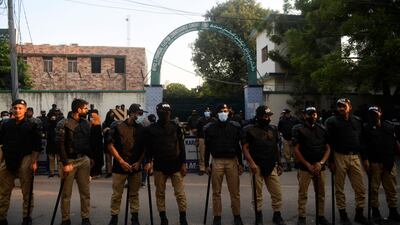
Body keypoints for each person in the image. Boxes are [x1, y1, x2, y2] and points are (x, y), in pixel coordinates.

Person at [325, 98, 368, 225]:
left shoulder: (357, 121)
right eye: (339, 106)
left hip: (355, 157)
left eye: (343, 106)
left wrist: (365, 158)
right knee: (339, 188)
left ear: (349, 106)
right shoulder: (331, 122)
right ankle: (343, 216)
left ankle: (359, 214)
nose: (341, 108)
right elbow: (328, 142)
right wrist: (331, 161)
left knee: (360, 188)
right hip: (339, 157)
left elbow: (362, 141)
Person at [144, 102, 188, 225]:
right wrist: (148, 162)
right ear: (159, 113)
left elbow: (182, 146)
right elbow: (148, 149)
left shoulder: (176, 127)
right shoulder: (151, 129)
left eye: (168, 112)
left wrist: (183, 163)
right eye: (164, 112)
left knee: (180, 193)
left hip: (176, 164)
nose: (167, 114)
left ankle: (183, 217)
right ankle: (163, 217)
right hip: (159, 165)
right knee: (160, 193)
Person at [242, 105, 286, 225]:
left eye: (269, 116)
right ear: (260, 117)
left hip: (271, 165)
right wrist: (251, 163)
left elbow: (276, 147)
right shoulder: (249, 129)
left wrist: (280, 163)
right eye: (266, 116)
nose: (269, 118)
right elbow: (245, 148)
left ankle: (277, 215)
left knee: (277, 192)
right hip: (257, 166)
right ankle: (258, 216)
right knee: (257, 194)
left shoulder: (273, 129)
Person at [0, 99, 42, 225]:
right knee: (3, 191)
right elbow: (1, 144)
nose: (17, 110)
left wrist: (34, 161)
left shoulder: (32, 125)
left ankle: (26, 216)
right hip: (9, 159)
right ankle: (2, 217)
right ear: (12, 109)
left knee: (27, 191)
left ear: (25, 109)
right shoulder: (5, 125)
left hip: (25, 158)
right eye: (15, 108)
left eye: (20, 108)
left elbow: (37, 146)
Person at [55, 98, 94, 225]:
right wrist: (65, 163)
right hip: (69, 161)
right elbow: (59, 145)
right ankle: (66, 219)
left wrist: (90, 161)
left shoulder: (86, 123)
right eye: (85, 108)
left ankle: (86, 217)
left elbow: (89, 143)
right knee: (66, 193)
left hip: (83, 160)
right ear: (78, 110)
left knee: (85, 192)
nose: (87, 111)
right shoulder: (63, 123)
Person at [204, 103, 244, 225]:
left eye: (226, 110)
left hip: (232, 161)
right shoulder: (209, 128)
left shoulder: (235, 126)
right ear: (216, 113)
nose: (224, 113)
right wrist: (206, 164)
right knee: (216, 192)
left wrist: (240, 163)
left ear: (229, 112)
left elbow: (238, 146)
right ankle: (217, 217)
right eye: (221, 110)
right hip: (217, 161)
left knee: (235, 191)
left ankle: (237, 216)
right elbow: (207, 148)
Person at [107, 104, 146, 225]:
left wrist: (139, 162)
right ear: (132, 113)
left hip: (135, 167)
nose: (140, 116)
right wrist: (121, 161)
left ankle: (134, 217)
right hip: (120, 166)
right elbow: (109, 145)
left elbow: (145, 148)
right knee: (117, 195)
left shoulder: (141, 129)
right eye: (139, 113)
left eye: (141, 113)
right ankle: (114, 217)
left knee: (134, 194)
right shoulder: (118, 127)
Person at [292, 106, 331, 225]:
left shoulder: (322, 129)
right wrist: (307, 164)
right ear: (305, 116)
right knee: (303, 193)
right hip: (305, 167)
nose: (312, 116)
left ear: (317, 115)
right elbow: (296, 149)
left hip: (320, 167)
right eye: (309, 114)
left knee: (321, 193)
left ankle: (320, 216)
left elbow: (328, 148)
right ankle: (302, 217)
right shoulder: (298, 129)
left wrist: (321, 163)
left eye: (314, 114)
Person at [361, 106, 400, 223]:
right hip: (374, 163)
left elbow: (395, 142)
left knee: (391, 188)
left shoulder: (389, 126)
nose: (374, 115)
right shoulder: (366, 128)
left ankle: (393, 212)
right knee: (374, 189)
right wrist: (365, 160)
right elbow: (363, 146)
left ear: (380, 113)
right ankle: (376, 212)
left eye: (376, 113)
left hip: (389, 162)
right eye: (371, 113)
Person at [196, 107, 215, 175]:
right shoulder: (200, 120)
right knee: (202, 154)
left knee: (211, 154)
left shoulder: (213, 120)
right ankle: (202, 168)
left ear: (210, 112)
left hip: (211, 139)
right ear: (204, 112)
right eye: (206, 111)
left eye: (208, 111)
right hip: (202, 138)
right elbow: (198, 130)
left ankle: (210, 168)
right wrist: (197, 139)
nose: (207, 112)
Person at [89, 110, 103, 178]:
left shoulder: (97, 126)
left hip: (97, 146)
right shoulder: (92, 125)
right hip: (93, 146)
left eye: (92, 117)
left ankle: (96, 173)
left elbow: (96, 138)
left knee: (96, 159)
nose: (90, 118)